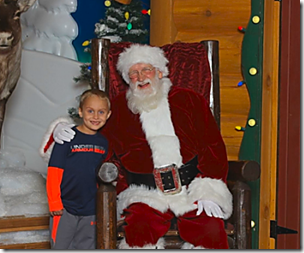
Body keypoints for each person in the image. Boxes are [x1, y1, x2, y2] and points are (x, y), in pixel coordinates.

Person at [41, 44, 232, 249]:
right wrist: (63, 130)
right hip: (145, 193)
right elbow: (95, 142)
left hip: (190, 189)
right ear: (127, 78)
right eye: (134, 73)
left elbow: (212, 146)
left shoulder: (190, 100)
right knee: (139, 230)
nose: (141, 77)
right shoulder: (120, 109)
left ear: (159, 71)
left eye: (146, 70)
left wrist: (209, 190)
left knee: (211, 229)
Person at [46, 89, 112, 249]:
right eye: (90, 111)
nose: (95, 117)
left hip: (91, 208)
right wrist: (54, 203)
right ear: (81, 112)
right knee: (60, 246)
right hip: (64, 208)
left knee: (87, 246)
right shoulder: (67, 137)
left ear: (108, 115)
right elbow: (54, 172)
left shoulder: (104, 143)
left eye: (101, 112)